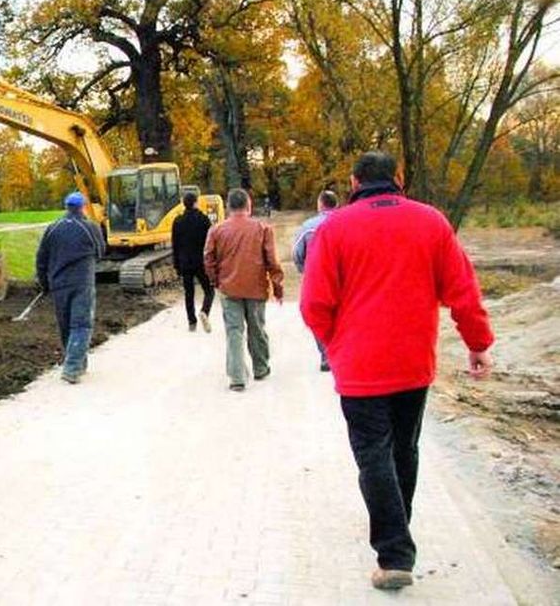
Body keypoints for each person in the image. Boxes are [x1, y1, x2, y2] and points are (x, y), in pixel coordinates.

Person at [300, 151, 494, 591]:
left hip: (360, 367)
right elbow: (462, 290)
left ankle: (394, 553)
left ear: (353, 182)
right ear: (399, 179)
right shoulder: (432, 222)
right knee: (403, 450)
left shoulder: (335, 228)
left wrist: (337, 345)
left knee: (373, 453)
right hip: (413, 362)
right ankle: (398, 534)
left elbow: (313, 303)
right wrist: (478, 343)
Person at [203, 188, 284, 391]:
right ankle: (260, 367)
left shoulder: (216, 230)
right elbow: (272, 261)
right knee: (257, 328)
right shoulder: (262, 228)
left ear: (228, 206)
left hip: (229, 289)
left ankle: (237, 377)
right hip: (256, 288)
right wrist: (277, 287)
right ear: (249, 205)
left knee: (234, 331)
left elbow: (208, 258)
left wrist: (215, 280)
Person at [35, 191, 105, 384]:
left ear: (66, 207)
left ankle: (78, 363)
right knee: (81, 325)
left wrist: (44, 283)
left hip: (58, 284)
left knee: (66, 325)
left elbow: (41, 258)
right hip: (82, 283)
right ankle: (72, 368)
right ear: (82, 207)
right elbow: (100, 252)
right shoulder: (90, 227)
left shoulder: (53, 228)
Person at [292, 190, 340, 371]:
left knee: (318, 315)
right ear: (336, 204)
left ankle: (326, 354)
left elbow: (297, 253)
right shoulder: (346, 222)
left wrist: (303, 270)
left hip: (317, 277)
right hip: (344, 277)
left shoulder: (308, 227)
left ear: (320, 205)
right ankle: (341, 351)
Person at [171, 192, 215, 333]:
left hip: (185, 262)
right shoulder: (203, 220)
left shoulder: (177, 221)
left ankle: (191, 322)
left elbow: (175, 245)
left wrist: (177, 265)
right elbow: (210, 244)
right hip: (200, 262)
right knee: (209, 291)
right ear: (196, 202)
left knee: (188, 293)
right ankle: (204, 311)